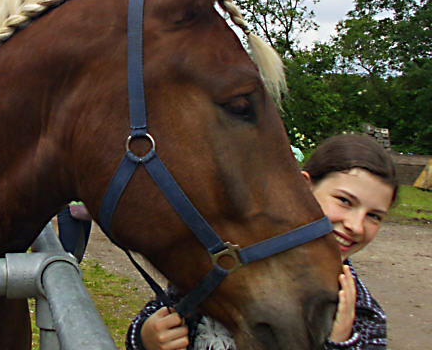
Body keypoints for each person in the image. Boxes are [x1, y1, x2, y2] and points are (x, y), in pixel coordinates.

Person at [126, 134, 398, 350]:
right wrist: (145, 337)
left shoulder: (363, 316)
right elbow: (161, 312)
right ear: (302, 187)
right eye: (345, 201)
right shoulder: (231, 261)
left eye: (374, 216)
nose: (356, 226)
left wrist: (340, 344)